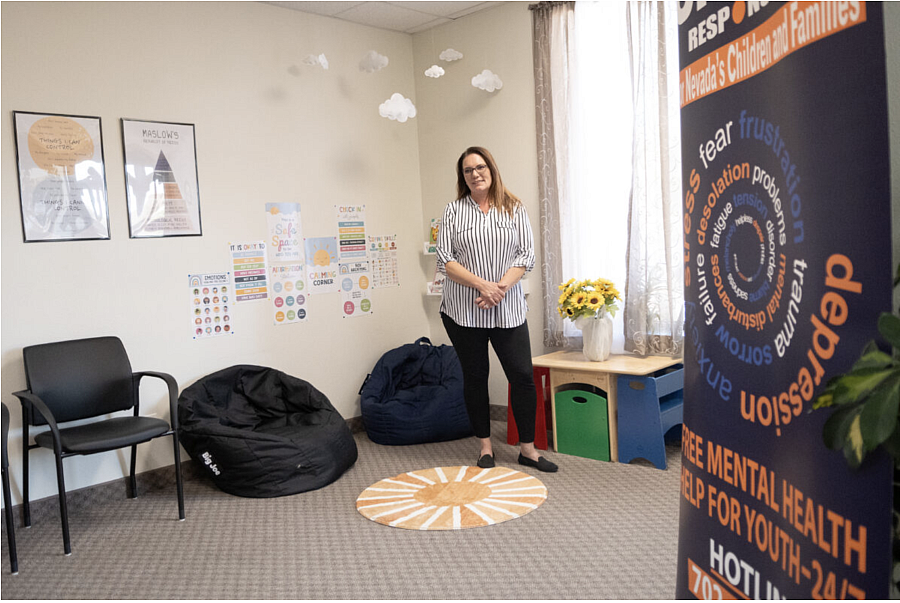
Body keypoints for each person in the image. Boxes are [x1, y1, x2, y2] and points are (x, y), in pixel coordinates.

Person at [435, 146, 558, 473]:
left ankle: (528, 450)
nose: (475, 174)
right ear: (462, 177)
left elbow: (526, 256)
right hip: (463, 311)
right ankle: (485, 447)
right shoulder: (453, 211)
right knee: (476, 378)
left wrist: (499, 288)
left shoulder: (513, 208)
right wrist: (482, 286)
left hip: (507, 308)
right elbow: (445, 261)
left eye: (479, 167)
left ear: (491, 168)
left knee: (521, 376)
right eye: (467, 171)